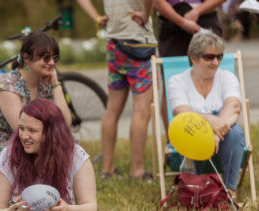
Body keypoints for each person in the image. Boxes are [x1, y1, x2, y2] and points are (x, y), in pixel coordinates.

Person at [0, 99, 123, 211]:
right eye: (21, 129)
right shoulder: (8, 157)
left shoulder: (75, 156)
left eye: (32, 130)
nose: (24, 136)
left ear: (51, 133)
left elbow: (90, 209)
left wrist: (69, 210)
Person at [0, 30, 72, 178]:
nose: (52, 63)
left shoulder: (45, 83)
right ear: (26, 58)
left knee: (71, 148)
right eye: (46, 57)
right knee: (46, 153)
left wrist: (56, 84)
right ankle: (38, 197)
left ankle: (58, 197)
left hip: (30, 143)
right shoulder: (6, 84)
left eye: (55, 57)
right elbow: (20, 131)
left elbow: (65, 125)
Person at [77, 0, 156, 180]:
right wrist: (145, 14)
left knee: (112, 110)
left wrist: (96, 18)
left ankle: (108, 169)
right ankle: (137, 171)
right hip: (139, 42)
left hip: (114, 44)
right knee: (141, 110)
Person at [168, 31, 244, 199]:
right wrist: (209, 120)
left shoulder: (227, 77)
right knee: (190, 133)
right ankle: (195, 190)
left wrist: (216, 135)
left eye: (219, 57)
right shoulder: (177, 81)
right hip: (189, 129)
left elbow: (234, 107)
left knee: (236, 133)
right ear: (193, 58)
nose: (216, 62)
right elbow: (181, 113)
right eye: (209, 57)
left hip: (221, 134)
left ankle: (229, 190)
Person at [153, 0, 225, 136]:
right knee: (170, 82)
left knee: (212, 77)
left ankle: (217, 135)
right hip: (171, 20)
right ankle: (174, 143)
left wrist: (197, 11)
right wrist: (180, 21)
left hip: (206, 19)